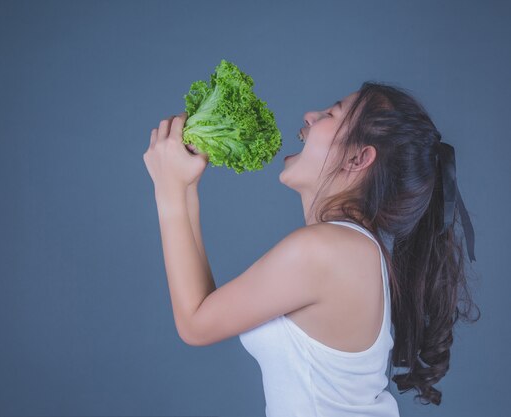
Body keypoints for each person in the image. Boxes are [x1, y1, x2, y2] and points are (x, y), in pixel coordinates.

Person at [143, 81, 480, 417]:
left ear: (358, 157)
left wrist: (169, 188)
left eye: (331, 113)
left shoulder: (327, 250)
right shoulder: (350, 249)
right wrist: (182, 187)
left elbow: (196, 323)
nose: (310, 115)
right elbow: (203, 310)